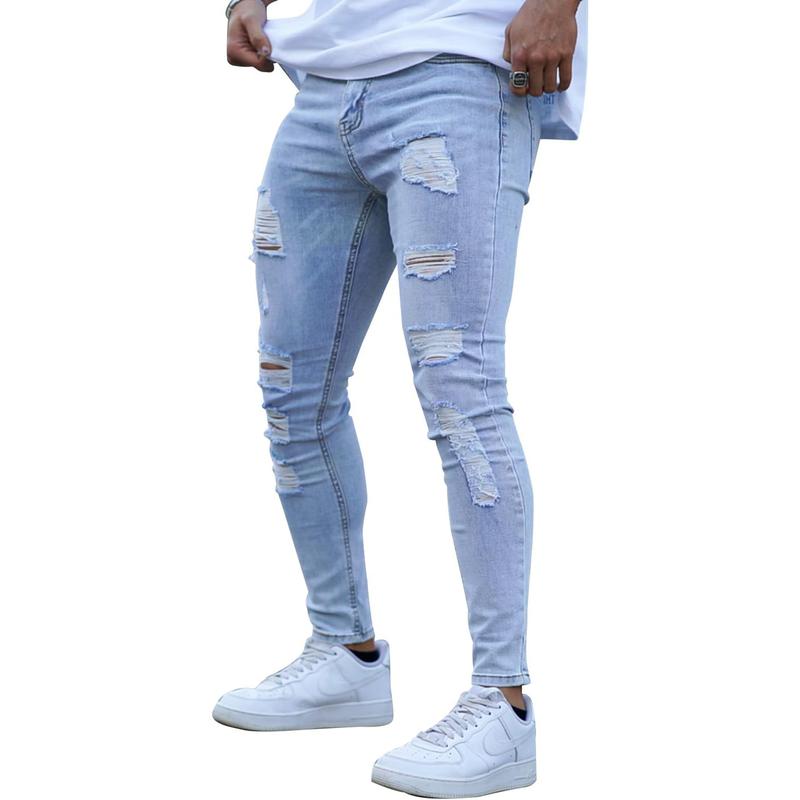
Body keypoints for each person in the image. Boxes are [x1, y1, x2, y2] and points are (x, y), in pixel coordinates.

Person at [213, 1, 584, 795]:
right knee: (292, 391)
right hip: (323, 84)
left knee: (461, 392)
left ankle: (503, 703)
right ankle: (344, 655)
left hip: (461, 71)